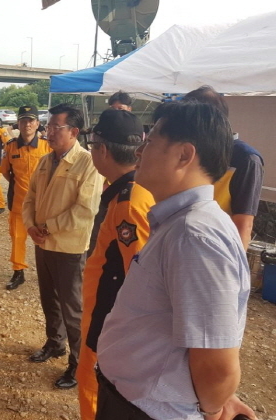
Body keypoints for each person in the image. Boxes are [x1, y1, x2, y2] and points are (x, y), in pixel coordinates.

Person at [96, 101, 257, 420]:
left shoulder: (195, 236)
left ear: (184, 155)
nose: (139, 152)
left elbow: (217, 362)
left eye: (150, 141)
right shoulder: (182, 224)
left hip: (147, 411)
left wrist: (213, 410)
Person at [77, 110, 154, 419]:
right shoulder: (138, 189)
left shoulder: (127, 202)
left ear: (102, 150)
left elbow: (138, 278)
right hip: (111, 322)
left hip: (108, 323)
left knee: (92, 390)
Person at [23, 103, 103, 389]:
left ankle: (78, 362)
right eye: (49, 126)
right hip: (43, 243)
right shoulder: (46, 160)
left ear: (74, 131)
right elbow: (30, 197)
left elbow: (85, 209)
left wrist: (47, 228)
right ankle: (54, 344)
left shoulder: (88, 162)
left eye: (56, 127)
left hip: (69, 247)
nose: (49, 132)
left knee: (73, 308)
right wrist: (30, 224)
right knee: (49, 299)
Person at [182, 85, 264, 249]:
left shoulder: (246, 159)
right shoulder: (193, 150)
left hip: (215, 250)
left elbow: (243, 224)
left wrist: (234, 270)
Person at [0, 105, 51, 290]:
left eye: (31, 120)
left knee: (46, 238)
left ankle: (48, 273)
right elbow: (5, 171)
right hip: (19, 204)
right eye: (23, 120)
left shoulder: (47, 146)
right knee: (17, 238)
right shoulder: (11, 146)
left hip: (43, 205)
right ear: (18, 124)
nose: (27, 124)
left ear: (37, 124)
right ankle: (18, 271)